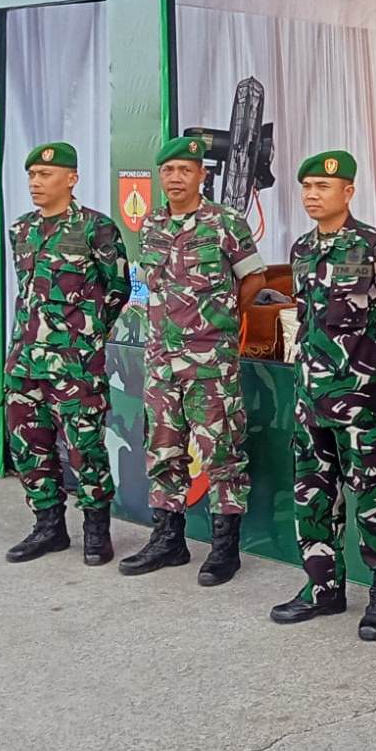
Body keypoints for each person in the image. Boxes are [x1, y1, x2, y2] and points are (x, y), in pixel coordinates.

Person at [270, 151, 376, 639]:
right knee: (314, 493)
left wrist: (367, 362)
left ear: (348, 192)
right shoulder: (302, 249)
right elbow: (306, 317)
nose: (312, 195)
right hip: (310, 397)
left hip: (361, 399)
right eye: (307, 186)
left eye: (323, 187)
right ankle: (323, 587)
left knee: (375, 494)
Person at [119, 135, 269, 586]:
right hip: (161, 361)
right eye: (168, 170)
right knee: (163, 450)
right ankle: (169, 539)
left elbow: (254, 278)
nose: (176, 177)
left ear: (202, 175)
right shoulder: (152, 225)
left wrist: (220, 319)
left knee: (221, 453)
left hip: (209, 363)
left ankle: (225, 549)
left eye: (186, 170)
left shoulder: (224, 222)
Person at [2, 141, 130, 566]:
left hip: (75, 365)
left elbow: (117, 289)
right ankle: (48, 526)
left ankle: (96, 530)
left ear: (71, 179)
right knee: (29, 445)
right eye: (32, 175)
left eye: (45, 175)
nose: (35, 183)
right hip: (25, 362)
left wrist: (85, 336)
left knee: (85, 447)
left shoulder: (96, 228)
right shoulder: (22, 230)